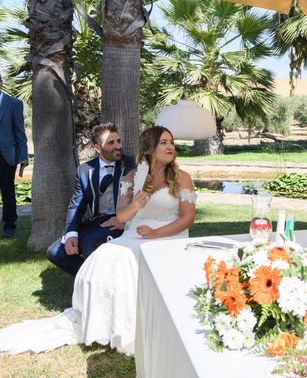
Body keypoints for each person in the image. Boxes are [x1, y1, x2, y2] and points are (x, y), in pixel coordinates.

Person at [0, 126, 196, 355]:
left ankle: (132, 323)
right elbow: (122, 215)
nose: (170, 146)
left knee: (124, 260)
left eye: (171, 142)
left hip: (168, 235)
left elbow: (188, 218)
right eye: (163, 142)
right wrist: (136, 204)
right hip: (136, 233)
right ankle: (104, 321)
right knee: (102, 257)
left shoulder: (181, 178)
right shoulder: (133, 177)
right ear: (150, 148)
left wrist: (156, 234)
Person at [46, 123, 136, 275]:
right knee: (55, 252)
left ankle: (96, 284)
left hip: (122, 220)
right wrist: (71, 234)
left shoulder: (132, 164)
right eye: (111, 143)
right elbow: (76, 206)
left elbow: (144, 197)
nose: (118, 146)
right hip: (97, 221)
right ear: (98, 148)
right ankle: (93, 279)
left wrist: (125, 220)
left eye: (118, 141)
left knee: (90, 243)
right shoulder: (84, 170)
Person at [0, 73, 28, 239]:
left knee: (7, 192)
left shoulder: (14, 104)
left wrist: (23, 156)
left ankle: (9, 225)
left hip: (6, 156)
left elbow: (20, 132)